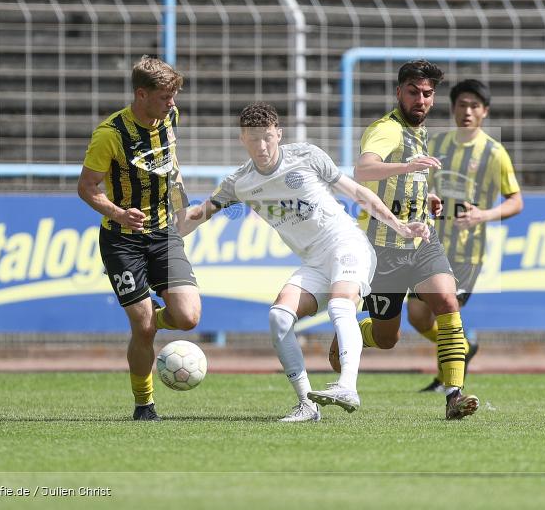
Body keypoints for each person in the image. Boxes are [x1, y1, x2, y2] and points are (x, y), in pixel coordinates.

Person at [179, 103, 429, 422]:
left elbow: (357, 193)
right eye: (254, 139)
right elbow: (200, 214)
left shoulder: (306, 156)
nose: (263, 146)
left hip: (347, 244)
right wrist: (159, 234)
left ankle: (347, 386)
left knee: (341, 306)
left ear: (279, 134)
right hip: (314, 262)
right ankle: (306, 405)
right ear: (242, 138)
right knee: (279, 317)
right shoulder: (239, 182)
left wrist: (401, 227)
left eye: (268, 137)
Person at [331, 59, 481, 420]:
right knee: (387, 339)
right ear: (399, 92)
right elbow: (363, 170)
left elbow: (403, 178)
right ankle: (352, 333)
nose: (421, 100)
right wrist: (407, 168)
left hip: (421, 241)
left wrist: (423, 195)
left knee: (447, 300)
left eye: (427, 94)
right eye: (413, 92)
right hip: (383, 250)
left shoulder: (418, 131)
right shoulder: (387, 130)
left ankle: (453, 397)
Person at [77, 55, 201, 422]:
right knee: (142, 327)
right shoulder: (110, 135)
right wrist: (118, 213)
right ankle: (144, 405)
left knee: (188, 317)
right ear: (141, 95)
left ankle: (149, 323)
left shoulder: (170, 119)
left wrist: (182, 203)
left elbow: (171, 168)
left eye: (174, 97)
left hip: (163, 234)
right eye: (165, 97)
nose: (172, 104)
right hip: (122, 239)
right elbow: (86, 187)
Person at [408, 79, 523, 393]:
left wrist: (483, 215)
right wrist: (429, 195)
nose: (467, 111)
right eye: (462, 104)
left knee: (446, 311)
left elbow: (516, 200)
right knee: (417, 316)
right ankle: (462, 347)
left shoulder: (494, 152)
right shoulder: (438, 145)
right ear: (454, 108)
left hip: (466, 252)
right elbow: (422, 183)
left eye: (474, 106)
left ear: (484, 112)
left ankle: (452, 386)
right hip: (430, 246)